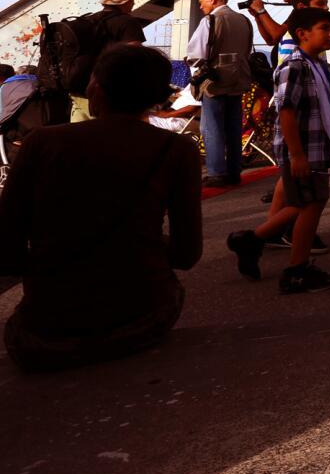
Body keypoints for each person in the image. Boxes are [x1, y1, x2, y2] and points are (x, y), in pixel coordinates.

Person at [0, 44, 201, 371]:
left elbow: (6, 250)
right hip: (142, 317)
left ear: (98, 88)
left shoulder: (42, 143)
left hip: (47, 332)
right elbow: (187, 254)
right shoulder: (176, 150)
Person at [226, 8, 330, 293]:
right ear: (302, 33)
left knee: (302, 203)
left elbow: (324, 110)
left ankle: (251, 240)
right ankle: (296, 270)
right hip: (303, 150)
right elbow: (286, 112)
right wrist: (297, 155)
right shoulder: (294, 66)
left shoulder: (319, 66)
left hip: (316, 147)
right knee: (310, 205)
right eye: (324, 28)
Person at [186, 0, 255, 187]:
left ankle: (217, 172)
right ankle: (234, 170)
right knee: (234, 126)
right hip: (238, 78)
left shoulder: (211, 20)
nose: (200, 6)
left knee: (212, 126)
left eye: (201, 1)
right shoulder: (244, 20)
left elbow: (196, 54)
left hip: (215, 80)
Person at [67, 0, 149, 122]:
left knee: (79, 137)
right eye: (132, 0)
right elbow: (136, 57)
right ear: (124, 2)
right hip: (110, 92)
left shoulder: (88, 20)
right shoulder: (128, 22)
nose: (133, 3)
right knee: (111, 138)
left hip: (79, 89)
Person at [245, 0, 314, 47]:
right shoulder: (296, 11)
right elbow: (271, 40)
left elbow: (277, 35)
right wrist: (257, 16)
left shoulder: (306, 11)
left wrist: (261, 10)